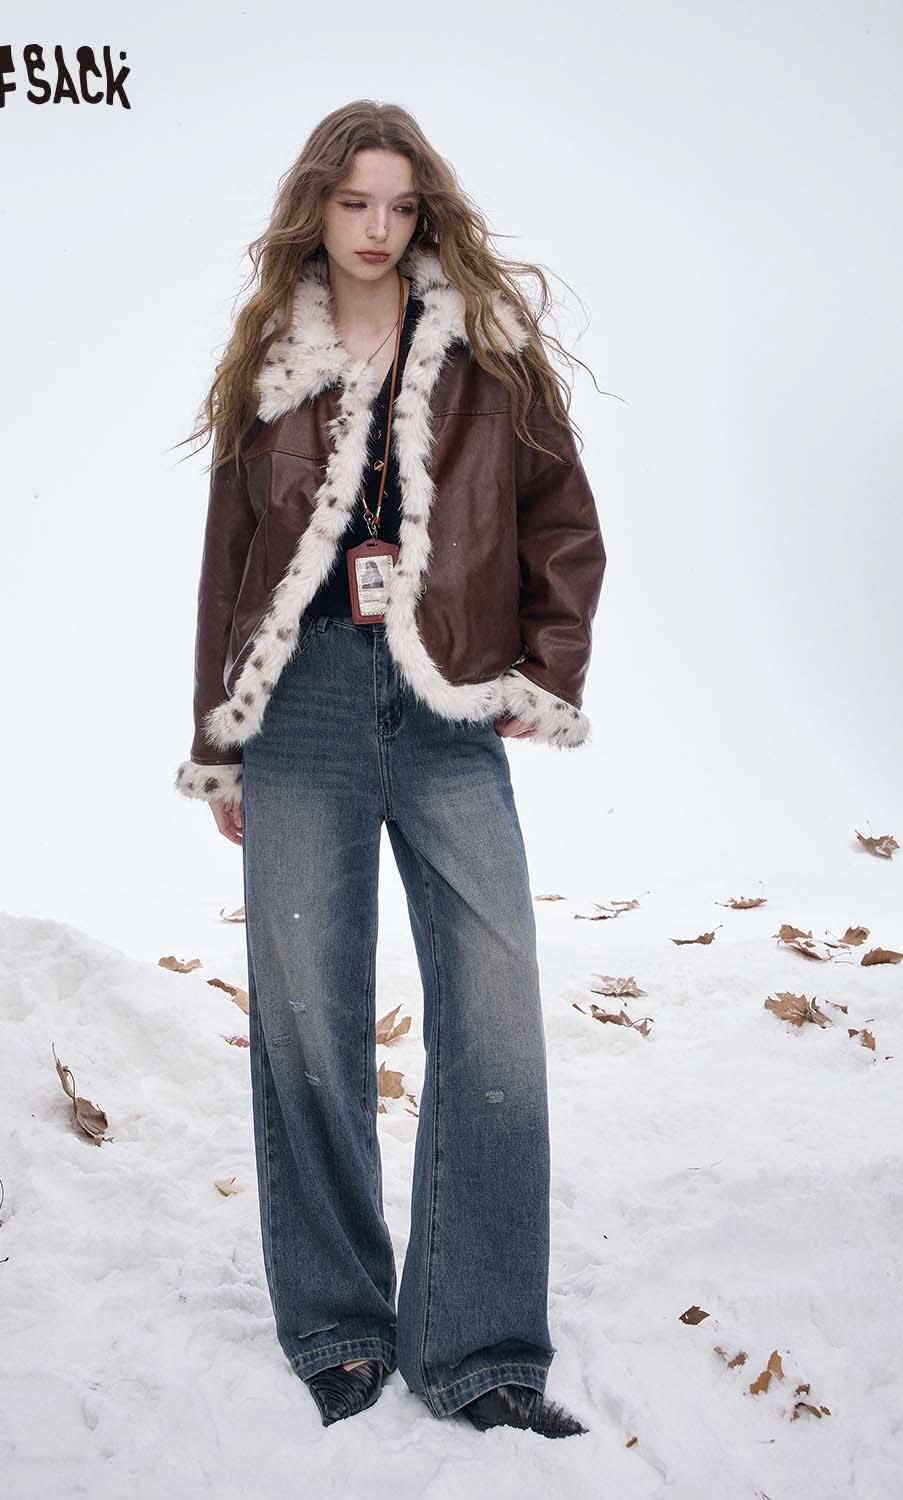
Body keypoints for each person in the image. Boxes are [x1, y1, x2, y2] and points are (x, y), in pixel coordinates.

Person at [174, 100, 606, 1436]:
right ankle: (339, 1323)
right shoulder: (270, 361)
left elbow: (563, 520)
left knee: (495, 1008)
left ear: (427, 212)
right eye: (353, 203)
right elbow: (227, 567)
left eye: (399, 206)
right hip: (299, 704)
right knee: (307, 1014)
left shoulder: (488, 348)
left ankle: (480, 1347)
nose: (375, 230)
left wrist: (544, 665)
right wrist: (218, 741)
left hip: (445, 703)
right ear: (318, 207)